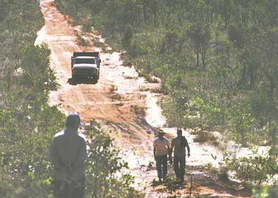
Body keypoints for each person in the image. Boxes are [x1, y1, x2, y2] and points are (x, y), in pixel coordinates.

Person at [50, 113, 87, 198]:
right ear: (76, 125)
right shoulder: (81, 139)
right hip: (76, 178)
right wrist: (72, 169)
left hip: (60, 177)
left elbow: (53, 158)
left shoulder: (56, 138)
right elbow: (82, 158)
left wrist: (62, 169)